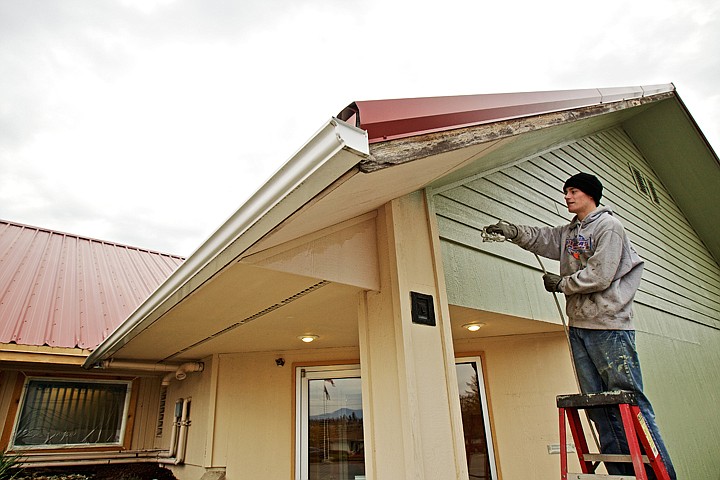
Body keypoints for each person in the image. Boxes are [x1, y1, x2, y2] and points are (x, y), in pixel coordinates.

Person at [484, 172, 676, 479]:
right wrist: (512, 231)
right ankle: (623, 472)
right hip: (580, 326)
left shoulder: (609, 227)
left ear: (589, 194)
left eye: (572, 191)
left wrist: (564, 283)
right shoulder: (571, 232)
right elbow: (543, 238)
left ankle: (660, 473)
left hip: (610, 326)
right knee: (598, 405)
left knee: (629, 400)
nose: (567, 196)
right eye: (565, 192)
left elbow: (601, 275)